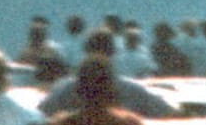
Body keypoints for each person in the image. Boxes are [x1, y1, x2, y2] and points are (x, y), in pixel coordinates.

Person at [39, 30, 176, 118]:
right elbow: (167, 113)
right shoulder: (132, 90)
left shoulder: (64, 89)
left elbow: (40, 116)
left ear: (86, 52)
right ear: (114, 53)